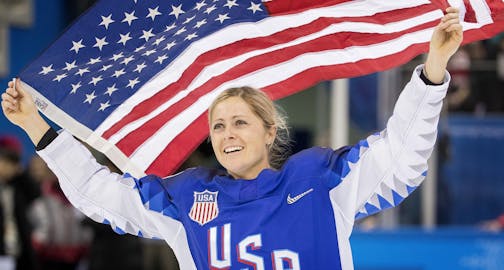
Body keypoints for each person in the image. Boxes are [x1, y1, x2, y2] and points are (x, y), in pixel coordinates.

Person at [1, 7, 462, 270]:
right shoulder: (185, 197)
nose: (227, 134)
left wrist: (434, 70)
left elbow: (401, 156)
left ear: (270, 131)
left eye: (240, 122)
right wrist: (38, 129)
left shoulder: (321, 182)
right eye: (218, 126)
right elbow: (101, 195)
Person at [27, 155, 91, 270]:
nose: (37, 172)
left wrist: (84, 246)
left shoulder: (72, 191)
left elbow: (83, 223)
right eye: (34, 169)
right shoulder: (36, 194)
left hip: (75, 254)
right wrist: (38, 243)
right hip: (47, 255)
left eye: (41, 168)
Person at [0, 136, 40, 270]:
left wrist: (21, 173)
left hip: (19, 248)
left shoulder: (18, 186)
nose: (7, 167)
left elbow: (35, 193)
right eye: (4, 162)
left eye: (12, 163)